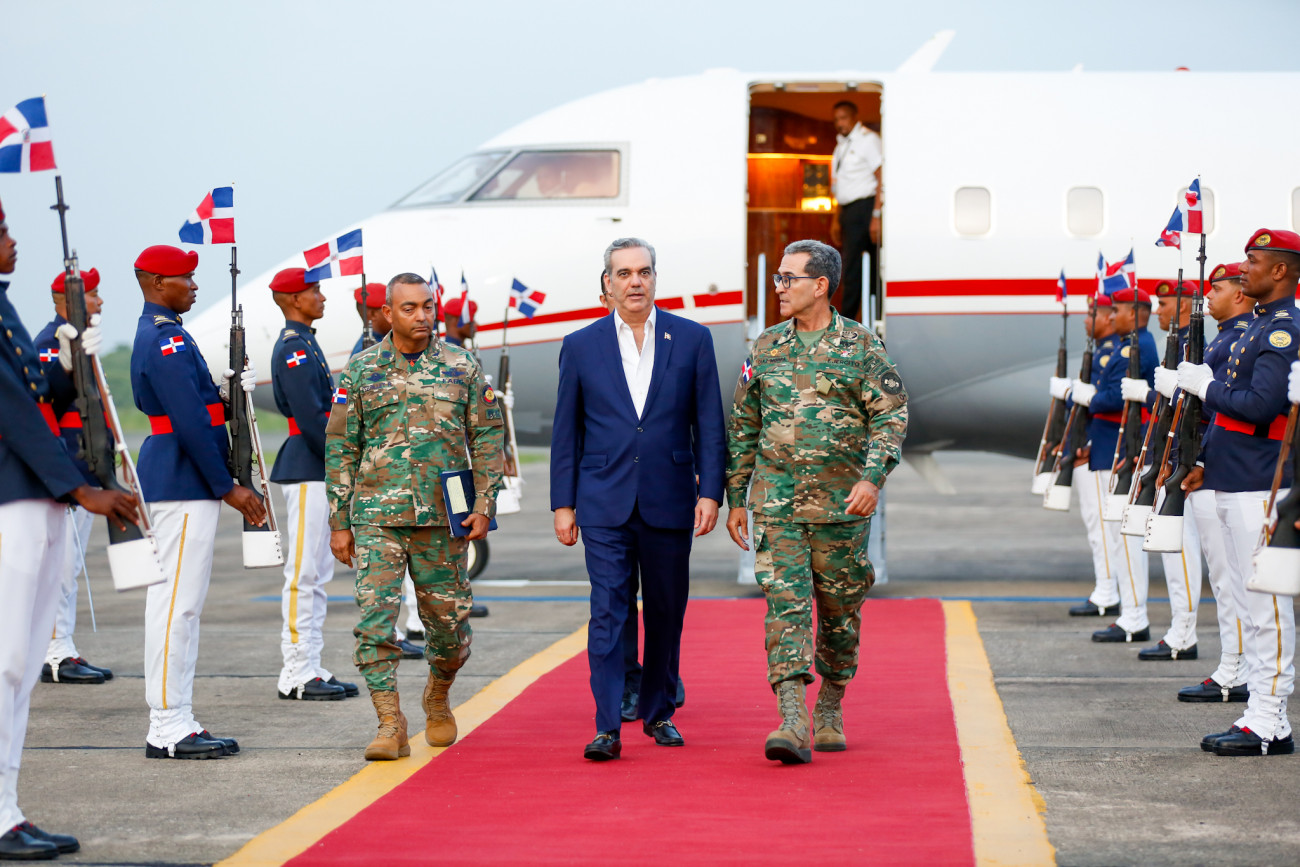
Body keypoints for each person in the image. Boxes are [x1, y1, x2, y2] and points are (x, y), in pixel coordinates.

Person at [725, 239, 907, 764]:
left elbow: (891, 415)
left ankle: (830, 703)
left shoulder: (861, 347)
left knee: (839, 615)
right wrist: (736, 497)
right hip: (777, 505)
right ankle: (792, 719)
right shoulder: (766, 346)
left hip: (841, 509)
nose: (779, 287)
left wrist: (872, 479)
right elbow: (744, 425)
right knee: (785, 608)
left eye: (789, 278)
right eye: (778, 277)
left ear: (820, 285)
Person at [0, 196, 139, 858]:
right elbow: (11, 412)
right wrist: (79, 487)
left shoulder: (3, 307)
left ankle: (7, 809)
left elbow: (35, 393)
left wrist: (68, 365)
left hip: (34, 495)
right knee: (6, 661)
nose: (13, 241)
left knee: (22, 665)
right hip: (13, 497)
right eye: (2, 231)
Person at [551, 238, 726, 761]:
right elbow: (567, 432)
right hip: (602, 501)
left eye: (644, 272)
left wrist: (711, 492)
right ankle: (607, 724)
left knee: (667, 612)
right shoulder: (580, 345)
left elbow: (709, 424)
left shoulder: (691, 339)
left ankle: (659, 713)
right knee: (608, 612)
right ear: (607, 283)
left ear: (654, 279)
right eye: (624, 273)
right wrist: (563, 503)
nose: (635, 281)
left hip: (670, 498)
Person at [327, 273, 503, 761]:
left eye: (428, 306)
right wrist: (339, 521)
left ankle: (438, 696)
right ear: (387, 313)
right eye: (409, 308)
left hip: (442, 518)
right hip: (377, 517)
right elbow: (341, 446)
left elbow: (487, 438)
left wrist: (484, 505)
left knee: (448, 628)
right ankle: (390, 722)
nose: (422, 315)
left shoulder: (461, 365)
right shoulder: (361, 369)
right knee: (375, 624)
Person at [131, 244, 267, 759]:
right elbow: (188, 421)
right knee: (176, 606)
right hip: (183, 478)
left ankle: (176, 716)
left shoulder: (169, 333)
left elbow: (198, 406)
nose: (193, 285)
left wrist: (225, 394)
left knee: (181, 605)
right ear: (156, 283)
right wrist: (226, 485)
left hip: (184, 478)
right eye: (184, 278)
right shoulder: (164, 338)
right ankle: (167, 724)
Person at [1179, 228, 1300, 756]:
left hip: (1258, 481)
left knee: (1267, 605)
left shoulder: (1283, 330)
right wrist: (1204, 460)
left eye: (1252, 261)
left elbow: (1257, 407)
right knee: (1248, 603)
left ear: (1280, 271)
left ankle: (1272, 720)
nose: (1243, 269)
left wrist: (1203, 386)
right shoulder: (1259, 327)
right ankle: (1257, 710)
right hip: (1231, 475)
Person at [1163, 264, 1252, 701]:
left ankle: (1237, 669)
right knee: (1223, 577)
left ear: (1239, 294)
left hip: (1221, 466)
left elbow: (1221, 411)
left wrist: (1197, 458)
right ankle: (1233, 664)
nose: (1209, 295)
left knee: (1231, 578)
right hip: (1207, 463)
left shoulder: (1239, 340)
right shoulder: (1222, 339)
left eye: (1217, 288)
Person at [267, 268, 356, 701]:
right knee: (304, 572)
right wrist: (344, 461)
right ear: (292, 299)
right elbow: (311, 419)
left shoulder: (305, 341)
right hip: (308, 466)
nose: (321, 297)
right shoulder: (293, 348)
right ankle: (296, 671)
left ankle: (311, 664)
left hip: (316, 465)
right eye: (313, 291)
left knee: (318, 573)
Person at [33, 267, 114, 685]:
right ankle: (53, 653)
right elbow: (47, 403)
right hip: (66, 471)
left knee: (71, 567)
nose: (100, 301)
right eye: (93, 295)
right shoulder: (50, 344)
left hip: (85, 466)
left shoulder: (83, 343)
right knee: (60, 568)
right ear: (70, 302)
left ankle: (62, 646)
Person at [1073, 288, 1158, 644]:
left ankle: (1133, 615)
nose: (1110, 317)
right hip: (1111, 446)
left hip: (1119, 449)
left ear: (1134, 313)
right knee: (1116, 536)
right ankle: (1130, 614)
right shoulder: (1129, 344)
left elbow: (1117, 399)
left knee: (1124, 538)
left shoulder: (1135, 347)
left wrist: (1084, 396)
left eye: (1116, 311)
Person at [1133, 280, 1203, 661]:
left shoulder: (1197, 345)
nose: (1157, 311)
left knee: (1182, 549)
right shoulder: (1178, 344)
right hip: (1172, 457)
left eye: (1163, 304)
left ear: (1184, 306)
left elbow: (1195, 405)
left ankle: (1184, 634)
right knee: (1173, 550)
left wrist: (1153, 392)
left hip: (1189, 461)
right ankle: (1180, 629)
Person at [1056, 293, 1122, 619]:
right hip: (1093, 446)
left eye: (1092, 313)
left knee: (1101, 524)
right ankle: (1106, 588)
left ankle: (1107, 592)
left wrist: (1073, 393)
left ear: (1109, 317)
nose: (1086, 320)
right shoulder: (1103, 352)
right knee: (1098, 524)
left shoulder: (1111, 353)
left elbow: (1109, 401)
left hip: (1098, 449)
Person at [829, 101, 883, 323]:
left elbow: (881, 176)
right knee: (856, 268)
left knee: (855, 269)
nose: (839, 123)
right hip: (848, 211)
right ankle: (866, 321)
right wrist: (836, 219)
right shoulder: (840, 146)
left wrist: (876, 216)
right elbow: (839, 187)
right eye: (836, 119)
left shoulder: (868, 140)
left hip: (865, 208)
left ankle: (846, 324)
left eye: (843, 118)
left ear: (854, 117)